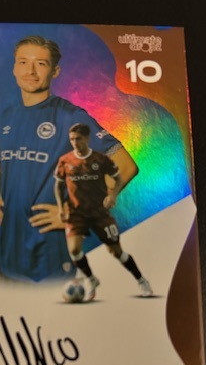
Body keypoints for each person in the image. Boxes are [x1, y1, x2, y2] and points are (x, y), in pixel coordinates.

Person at [0, 35, 139, 284]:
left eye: (41, 64)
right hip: (9, 253)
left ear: (55, 71)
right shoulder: (6, 118)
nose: (30, 71)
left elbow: (125, 166)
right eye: (23, 62)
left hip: (51, 255)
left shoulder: (71, 117)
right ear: (14, 68)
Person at [54, 122, 153, 300]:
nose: (75, 143)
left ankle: (141, 280)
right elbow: (58, 185)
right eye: (72, 140)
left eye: (79, 139)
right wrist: (61, 208)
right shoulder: (66, 160)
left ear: (87, 139)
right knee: (74, 249)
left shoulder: (100, 159)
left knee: (116, 252)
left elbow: (119, 177)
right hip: (77, 213)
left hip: (99, 212)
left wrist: (112, 195)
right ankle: (91, 279)